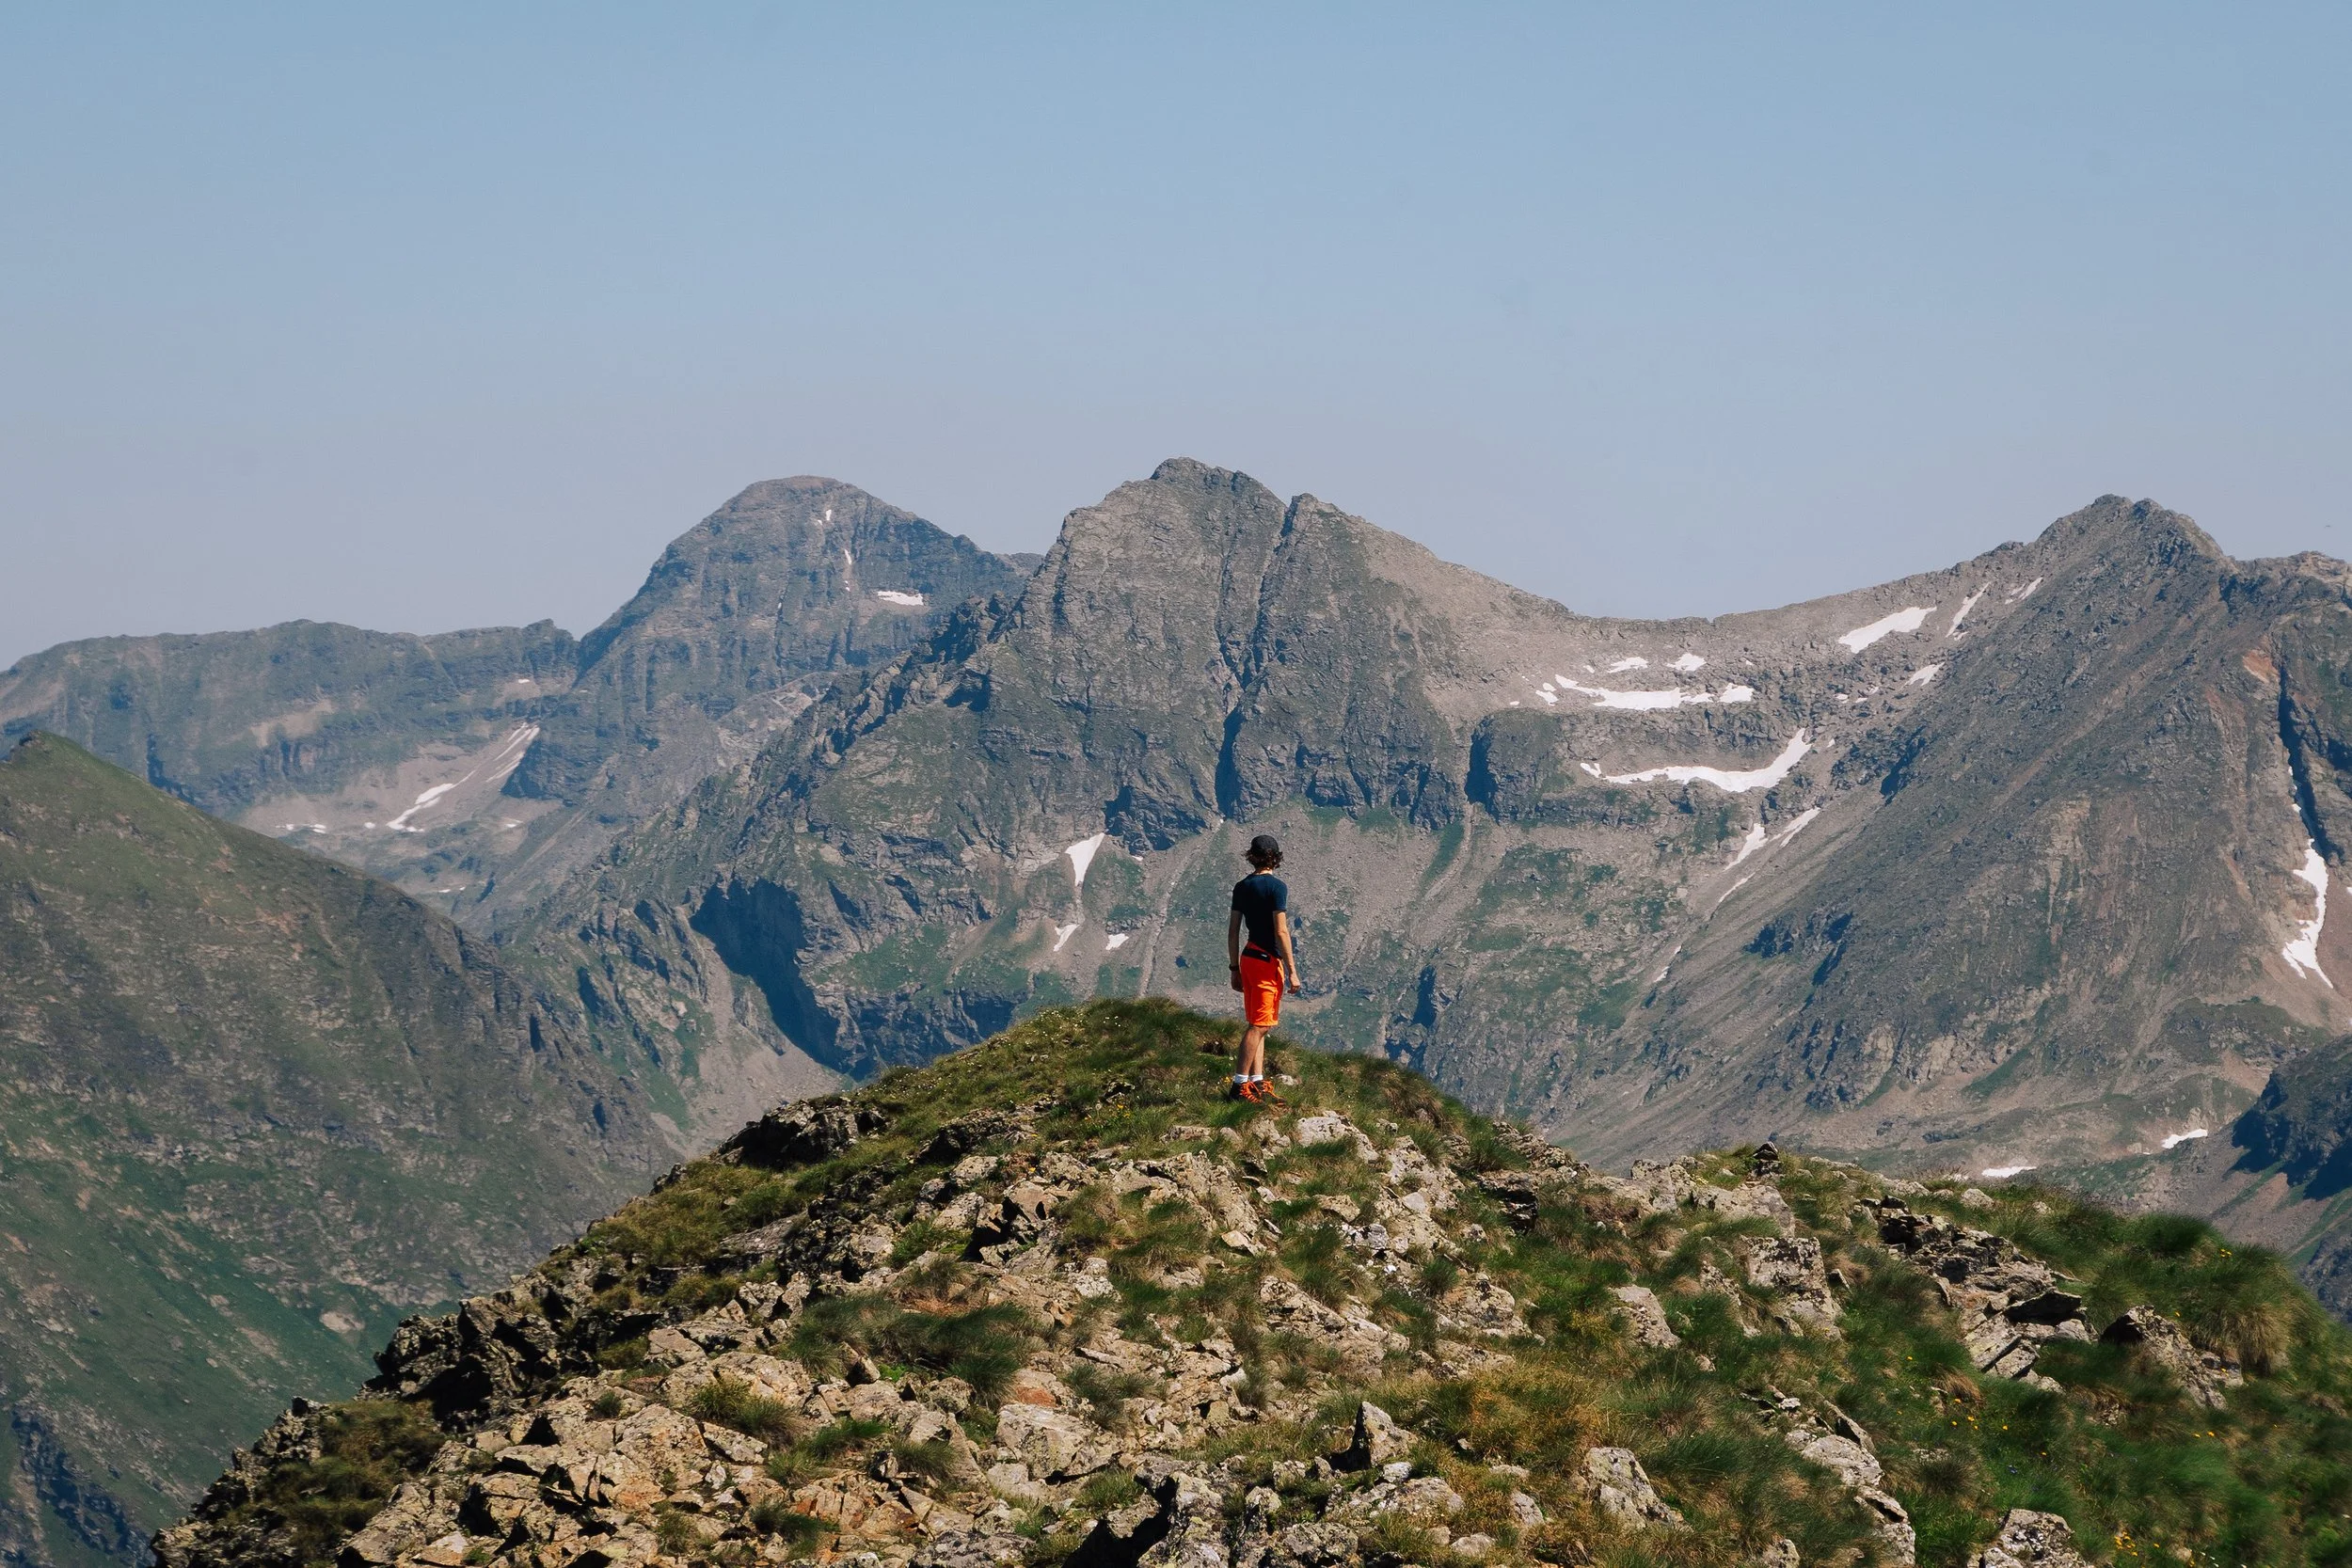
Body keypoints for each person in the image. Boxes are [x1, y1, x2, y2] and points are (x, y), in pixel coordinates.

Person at [1227, 833, 1299, 1103]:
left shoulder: (1242, 886)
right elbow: (1281, 930)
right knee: (1259, 1024)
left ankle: (1257, 1082)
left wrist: (1234, 967)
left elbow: (1234, 930)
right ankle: (1238, 1086)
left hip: (1248, 957)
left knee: (1260, 1023)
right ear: (1275, 857)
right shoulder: (1276, 888)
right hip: (1268, 961)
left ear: (1252, 856)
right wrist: (1292, 969)